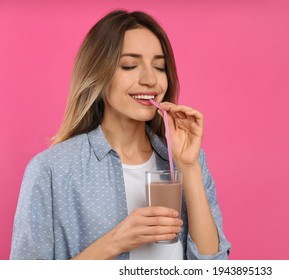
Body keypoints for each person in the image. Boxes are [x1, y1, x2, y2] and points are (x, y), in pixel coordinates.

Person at [10, 10, 230, 260]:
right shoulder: (51, 170)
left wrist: (189, 168)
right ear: (98, 75)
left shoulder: (189, 161)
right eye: (129, 65)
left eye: (159, 67)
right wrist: (116, 241)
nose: (150, 80)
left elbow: (214, 268)